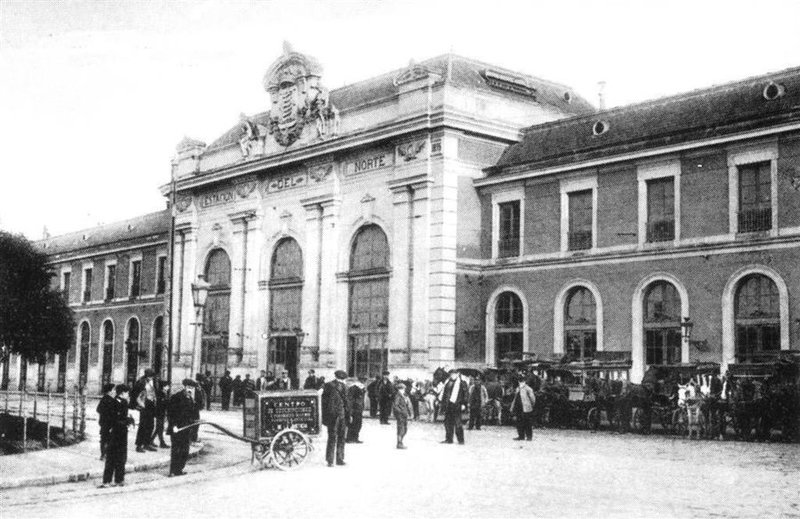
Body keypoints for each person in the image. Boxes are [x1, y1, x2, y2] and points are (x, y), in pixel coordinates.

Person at [99, 384, 135, 488]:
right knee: (111, 457)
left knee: (122, 457)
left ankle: (119, 479)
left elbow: (123, 417)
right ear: (122, 393)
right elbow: (113, 419)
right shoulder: (112, 402)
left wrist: (128, 420)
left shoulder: (124, 402)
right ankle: (107, 481)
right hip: (114, 434)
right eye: (127, 393)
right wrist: (125, 422)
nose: (128, 395)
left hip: (122, 433)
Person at [167, 378, 197, 477]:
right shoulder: (176, 397)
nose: (190, 389)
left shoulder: (191, 399)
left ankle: (179, 469)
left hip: (186, 428)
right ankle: (172, 471)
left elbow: (193, 413)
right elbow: (171, 413)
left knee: (185, 450)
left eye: (192, 388)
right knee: (176, 450)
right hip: (177, 428)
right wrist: (173, 426)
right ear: (184, 387)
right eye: (189, 387)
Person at [321, 370, 350, 467]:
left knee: (333, 437)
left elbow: (324, 402)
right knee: (340, 437)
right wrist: (348, 416)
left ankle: (331, 460)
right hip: (339, 416)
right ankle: (339, 459)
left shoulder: (329, 385)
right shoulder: (343, 387)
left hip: (334, 416)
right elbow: (347, 404)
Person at [132, 368, 157, 452]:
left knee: (150, 425)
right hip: (144, 406)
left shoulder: (150, 382)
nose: (152, 378)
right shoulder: (141, 382)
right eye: (151, 376)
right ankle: (139, 445)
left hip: (151, 406)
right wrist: (138, 405)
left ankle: (147, 443)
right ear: (147, 376)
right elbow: (136, 395)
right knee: (143, 426)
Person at [440, 370, 468, 444]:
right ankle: (449, 439)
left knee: (458, 423)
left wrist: (464, 404)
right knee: (447, 423)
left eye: (454, 374)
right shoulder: (447, 382)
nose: (452, 375)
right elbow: (444, 394)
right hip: (448, 406)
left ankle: (461, 440)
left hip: (457, 405)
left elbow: (465, 394)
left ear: (457, 374)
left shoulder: (462, 383)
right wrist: (442, 403)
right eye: (451, 374)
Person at [511, 376, 536, 441]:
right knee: (519, 422)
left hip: (526, 408)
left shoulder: (528, 389)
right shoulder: (517, 388)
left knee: (528, 423)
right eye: (520, 381)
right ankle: (521, 436)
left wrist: (531, 406)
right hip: (519, 408)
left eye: (522, 381)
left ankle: (529, 437)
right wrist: (512, 407)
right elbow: (515, 398)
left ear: (525, 381)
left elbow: (533, 399)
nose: (521, 382)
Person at [96, 382, 116, 460]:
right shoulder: (109, 400)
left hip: (104, 423)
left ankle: (104, 454)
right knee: (107, 439)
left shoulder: (105, 398)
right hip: (108, 423)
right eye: (114, 389)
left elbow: (98, 409)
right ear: (110, 391)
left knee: (104, 439)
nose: (115, 391)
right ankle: (104, 455)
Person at [392, 382, 413, 449]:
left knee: (405, 429)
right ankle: (399, 443)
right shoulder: (398, 396)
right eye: (403, 388)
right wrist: (400, 412)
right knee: (401, 429)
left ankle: (400, 442)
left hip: (404, 414)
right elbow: (395, 405)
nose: (404, 390)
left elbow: (408, 405)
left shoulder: (404, 395)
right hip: (400, 415)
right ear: (400, 389)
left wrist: (410, 413)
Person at [346, 376, 366, 443]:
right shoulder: (354, 387)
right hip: (354, 408)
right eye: (363, 380)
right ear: (359, 380)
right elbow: (350, 399)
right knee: (353, 424)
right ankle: (349, 438)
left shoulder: (362, 387)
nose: (364, 381)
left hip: (359, 408)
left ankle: (355, 438)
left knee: (358, 424)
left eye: (364, 380)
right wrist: (350, 410)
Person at [151, 380, 170, 448]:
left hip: (162, 412)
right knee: (160, 428)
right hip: (159, 412)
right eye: (167, 386)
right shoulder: (160, 393)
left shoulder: (165, 393)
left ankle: (151, 440)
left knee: (158, 428)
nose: (169, 387)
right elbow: (160, 403)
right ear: (164, 387)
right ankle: (162, 443)